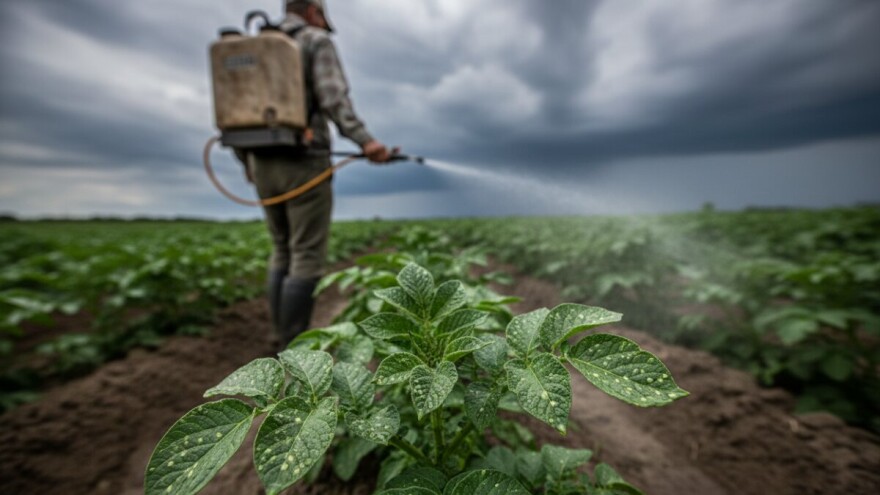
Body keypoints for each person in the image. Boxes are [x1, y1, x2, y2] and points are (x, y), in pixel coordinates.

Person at [241, 0, 394, 351]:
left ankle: (277, 339)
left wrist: (248, 164)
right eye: (323, 17)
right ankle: (293, 350)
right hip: (303, 161)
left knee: (281, 249)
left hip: (261, 164)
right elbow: (333, 98)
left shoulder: (255, 46)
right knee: (306, 254)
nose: (325, 25)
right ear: (313, 11)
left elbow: (237, 113)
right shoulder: (314, 40)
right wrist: (366, 142)